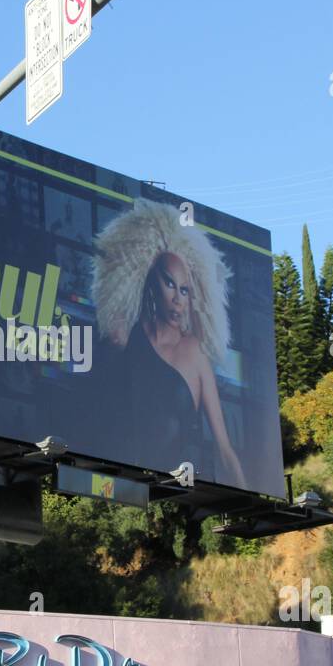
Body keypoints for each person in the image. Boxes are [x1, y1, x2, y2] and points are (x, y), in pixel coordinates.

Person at [92, 199, 247, 490]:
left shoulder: (195, 353)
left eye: (185, 290)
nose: (177, 298)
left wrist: (250, 501)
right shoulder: (128, 335)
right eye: (169, 284)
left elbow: (224, 447)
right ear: (151, 284)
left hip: (169, 489)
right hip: (115, 479)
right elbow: (99, 406)